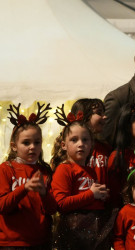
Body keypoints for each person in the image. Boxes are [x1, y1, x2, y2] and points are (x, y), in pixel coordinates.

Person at [50, 106, 113, 250]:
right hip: (74, 235)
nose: (81, 144)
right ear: (64, 145)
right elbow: (61, 204)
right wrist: (91, 194)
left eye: (85, 140)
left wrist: (101, 196)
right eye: (74, 140)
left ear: (91, 145)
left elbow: (90, 197)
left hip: (93, 232)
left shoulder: (90, 170)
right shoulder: (64, 169)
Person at [0, 103, 56, 248]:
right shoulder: (6, 169)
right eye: (26, 143)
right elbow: (2, 206)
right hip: (11, 243)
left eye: (37, 142)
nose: (32, 147)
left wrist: (44, 193)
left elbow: (52, 210)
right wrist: (24, 187)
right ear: (14, 146)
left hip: (40, 242)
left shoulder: (45, 171)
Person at [71, 98, 112, 185]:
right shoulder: (72, 149)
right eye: (99, 113)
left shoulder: (105, 148)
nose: (105, 116)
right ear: (84, 116)